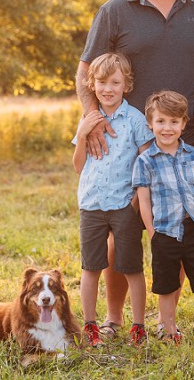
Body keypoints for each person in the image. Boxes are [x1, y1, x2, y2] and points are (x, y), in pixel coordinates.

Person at [76, 0, 194, 336]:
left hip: (183, 143)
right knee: (121, 237)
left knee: (174, 234)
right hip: (125, 145)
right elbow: (86, 71)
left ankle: (166, 322)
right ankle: (115, 320)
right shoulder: (116, 10)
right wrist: (91, 118)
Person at [132, 90, 194, 353]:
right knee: (167, 287)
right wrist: (153, 232)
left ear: (183, 124)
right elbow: (144, 200)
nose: (167, 128)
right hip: (165, 232)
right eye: (161, 121)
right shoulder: (145, 161)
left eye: (174, 122)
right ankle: (170, 332)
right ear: (150, 124)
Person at [72, 53, 153, 346]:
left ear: (126, 85)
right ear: (92, 85)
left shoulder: (135, 120)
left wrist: (137, 195)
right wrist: (82, 135)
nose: (108, 89)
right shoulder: (88, 120)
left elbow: (148, 160)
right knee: (90, 267)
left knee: (131, 266)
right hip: (91, 204)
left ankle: (138, 326)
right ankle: (91, 326)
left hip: (124, 205)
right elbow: (78, 165)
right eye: (102, 82)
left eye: (115, 82)